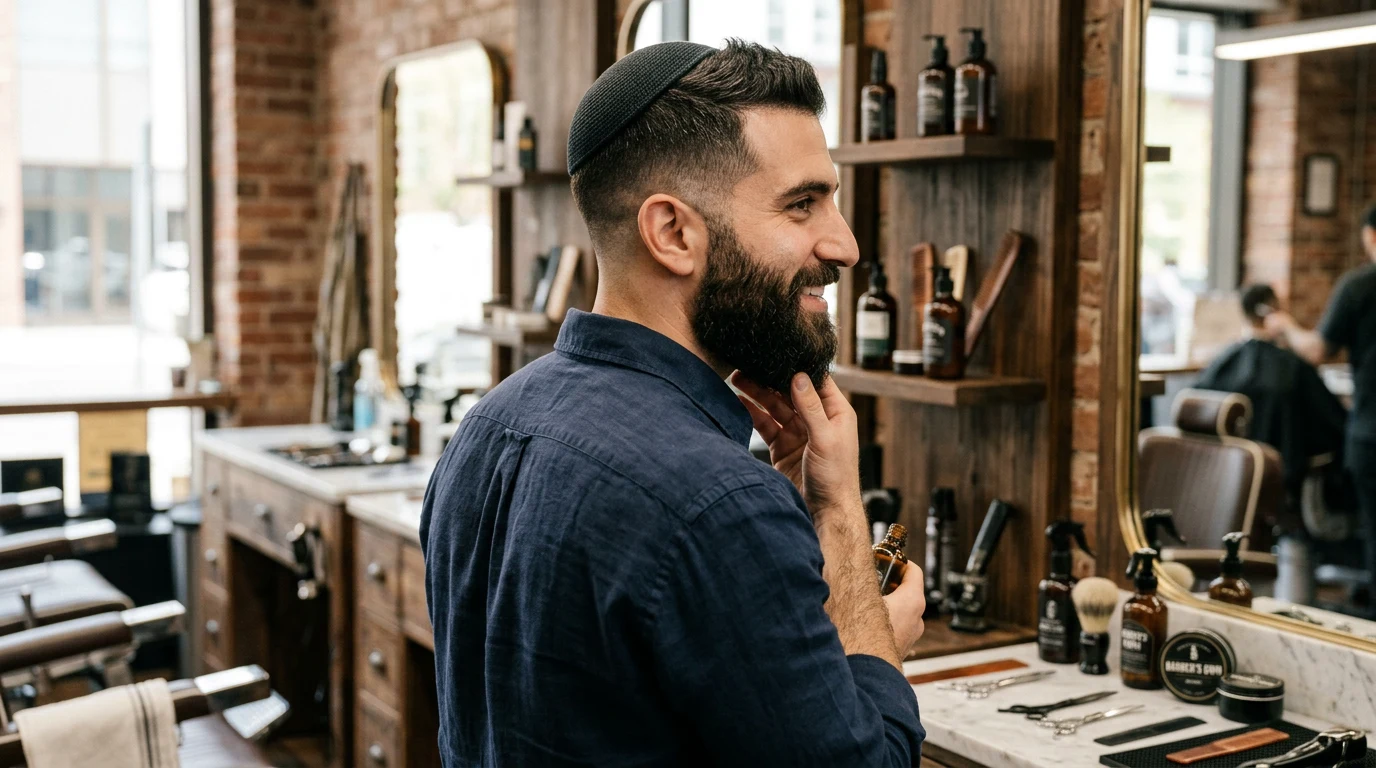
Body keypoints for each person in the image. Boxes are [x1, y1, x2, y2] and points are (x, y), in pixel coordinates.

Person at [420, 40, 926, 767]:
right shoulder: (719, 503)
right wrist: (864, 603)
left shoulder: (489, 425)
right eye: (803, 204)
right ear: (673, 233)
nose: (844, 245)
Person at [1267, 205, 1376, 614]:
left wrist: (1285, 326)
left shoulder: (1360, 285)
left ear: (1370, 237)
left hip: (1371, 431)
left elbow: (1316, 350)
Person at [1195, 284, 1346, 499]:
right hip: (1282, 478)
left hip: (1224, 476)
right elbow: (1333, 423)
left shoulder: (1221, 364)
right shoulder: (1292, 367)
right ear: (1273, 312)